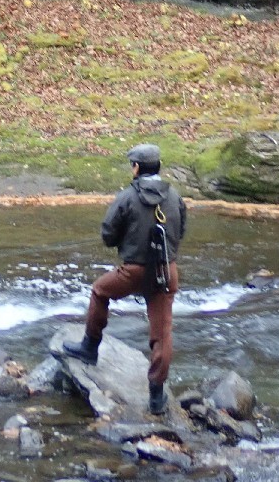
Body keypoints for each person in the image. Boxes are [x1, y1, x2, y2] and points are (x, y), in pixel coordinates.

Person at [63, 143, 187, 415]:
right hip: (166, 272)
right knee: (162, 331)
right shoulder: (175, 196)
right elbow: (181, 230)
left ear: (137, 168)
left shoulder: (127, 197)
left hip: (133, 271)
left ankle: (89, 348)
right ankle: (156, 397)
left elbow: (108, 235)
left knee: (99, 292)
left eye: (132, 164)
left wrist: (126, 242)